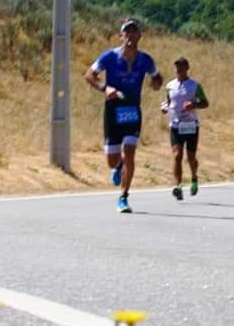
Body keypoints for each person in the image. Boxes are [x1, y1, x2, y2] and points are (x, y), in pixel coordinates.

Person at [84, 18, 162, 213]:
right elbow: (89, 75)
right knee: (111, 159)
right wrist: (105, 87)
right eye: (127, 32)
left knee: (129, 151)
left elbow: (157, 77)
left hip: (132, 109)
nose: (130, 35)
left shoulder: (146, 60)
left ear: (139, 36)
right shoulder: (109, 57)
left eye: (134, 32)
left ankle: (123, 197)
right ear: (121, 36)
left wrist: (156, 83)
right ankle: (118, 166)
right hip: (113, 109)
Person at [161, 56, 209, 200]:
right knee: (177, 156)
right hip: (176, 125)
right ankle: (178, 186)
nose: (179, 70)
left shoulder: (195, 85)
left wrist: (193, 105)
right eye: (177, 67)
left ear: (187, 68)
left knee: (191, 158)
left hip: (191, 125)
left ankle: (194, 178)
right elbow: (168, 101)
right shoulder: (170, 85)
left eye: (181, 67)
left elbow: (205, 103)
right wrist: (164, 107)